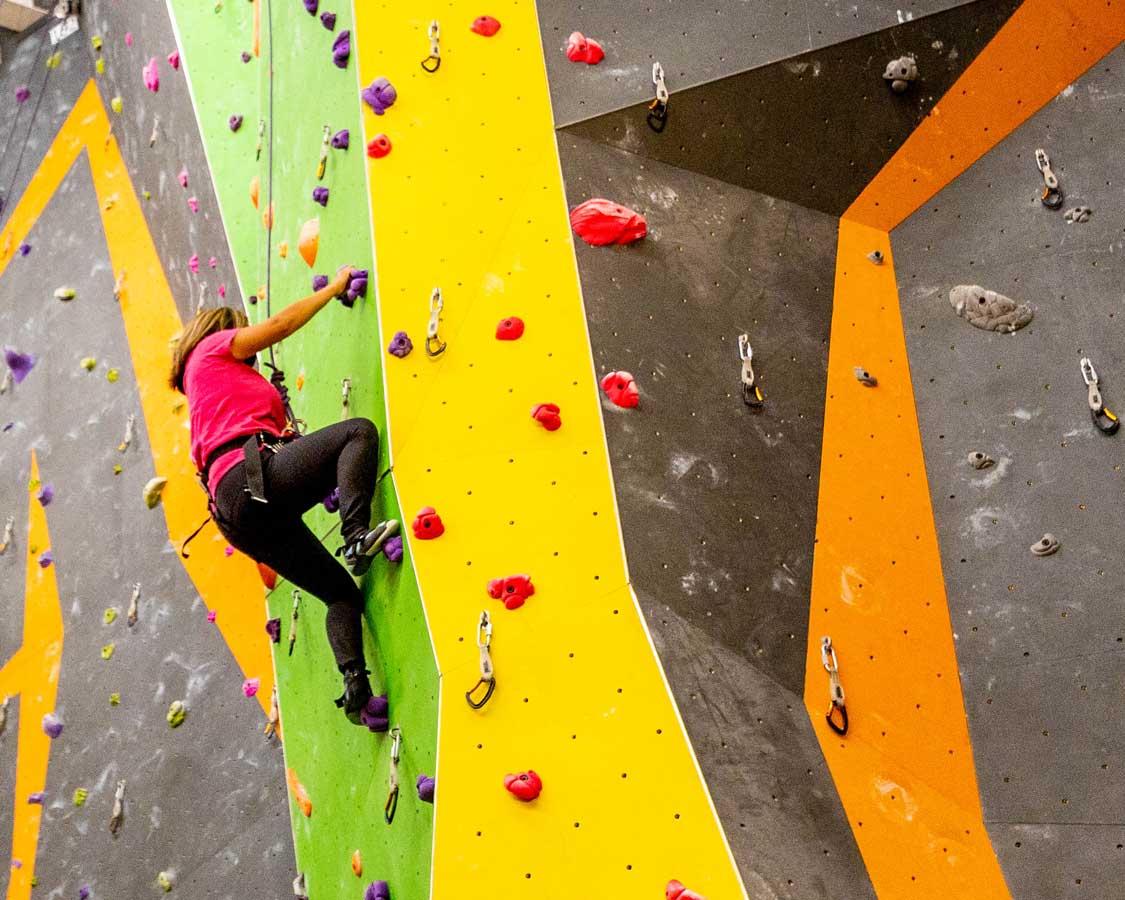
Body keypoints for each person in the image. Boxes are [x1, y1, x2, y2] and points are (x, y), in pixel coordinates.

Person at [169, 266, 397, 724]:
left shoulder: (204, 397)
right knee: (358, 434)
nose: (249, 356)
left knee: (339, 595)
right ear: (222, 331)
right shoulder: (210, 350)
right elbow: (279, 327)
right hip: (251, 479)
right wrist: (334, 288)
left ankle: (355, 687)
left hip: (238, 513)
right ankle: (355, 535)